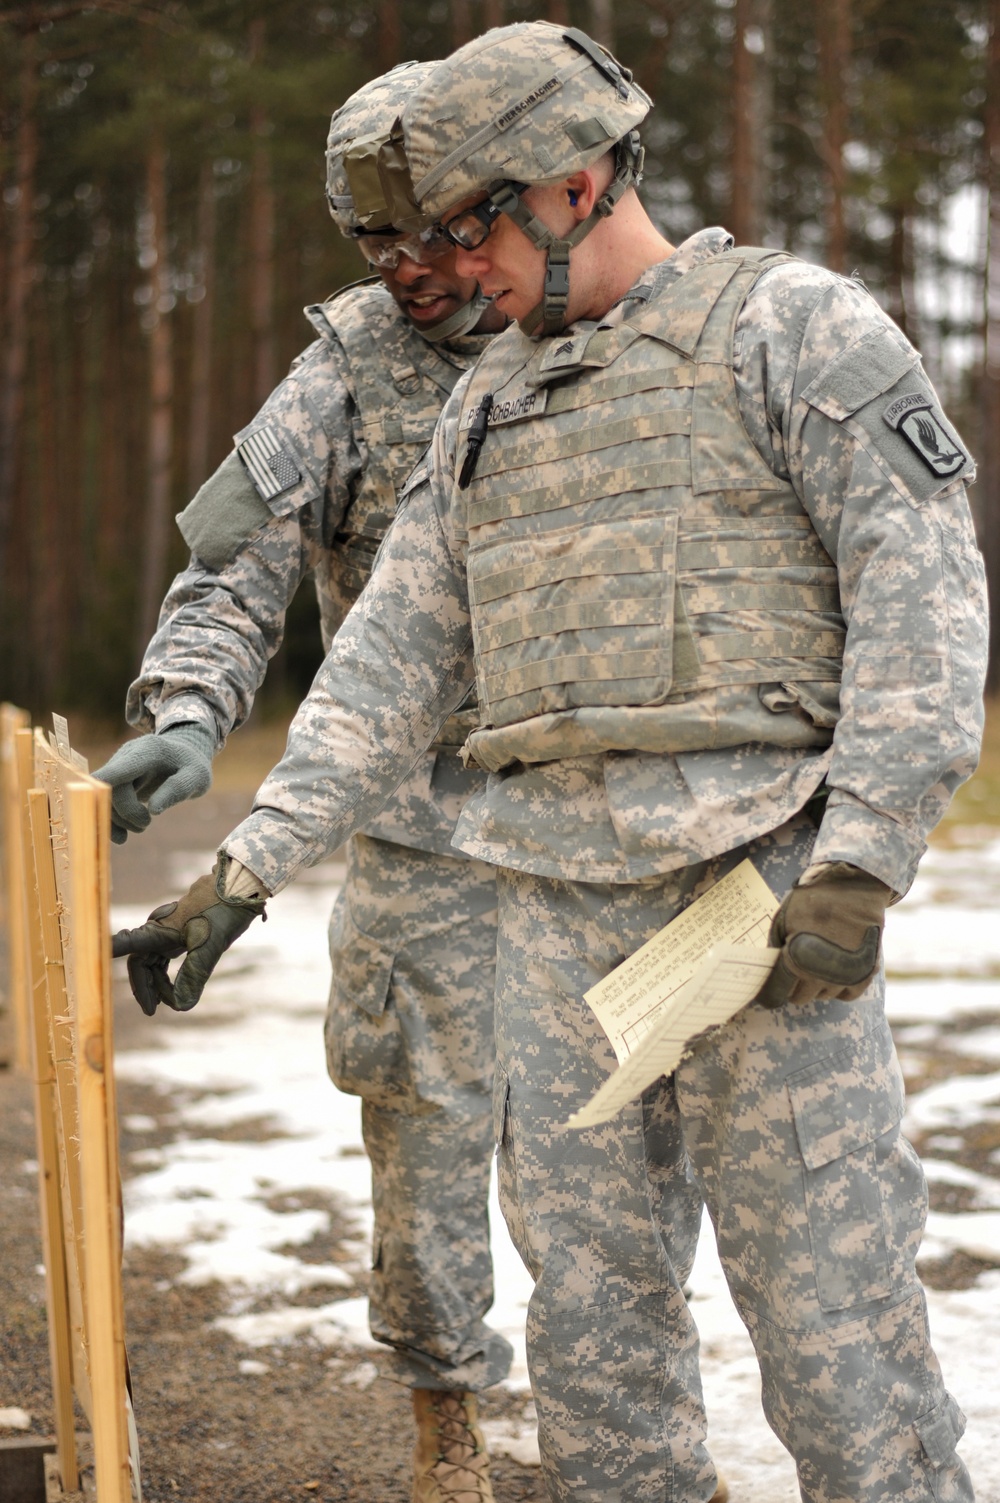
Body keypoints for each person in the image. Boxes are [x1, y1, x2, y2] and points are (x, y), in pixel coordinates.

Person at [112, 21, 987, 1503]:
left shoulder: (796, 331)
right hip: (551, 916)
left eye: (467, 231)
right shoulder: (489, 405)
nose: (448, 277)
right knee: (594, 1354)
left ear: (572, 184)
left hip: (759, 906)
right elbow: (385, 664)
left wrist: (862, 855)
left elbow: (923, 601)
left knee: (840, 1345)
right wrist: (243, 875)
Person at [96, 63, 515, 1503]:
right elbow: (233, 570)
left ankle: (628, 1428)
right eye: (373, 243)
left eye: (431, 230)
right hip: (417, 823)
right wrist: (190, 711)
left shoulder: (631, 339)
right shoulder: (343, 374)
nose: (407, 270)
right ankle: (444, 1426)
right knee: (423, 1135)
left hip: (624, 822)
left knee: (634, 1143)